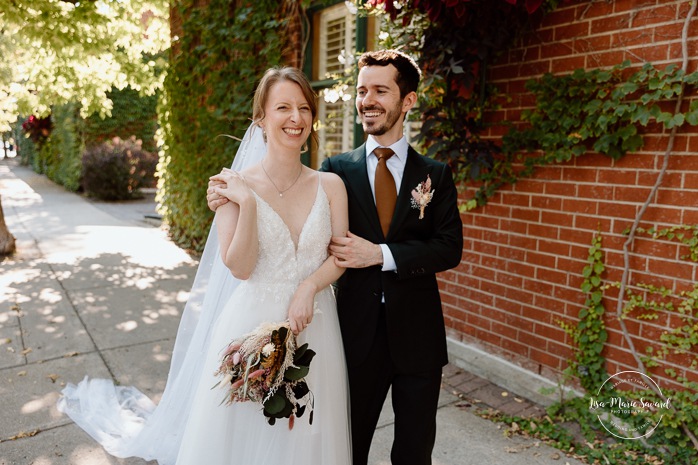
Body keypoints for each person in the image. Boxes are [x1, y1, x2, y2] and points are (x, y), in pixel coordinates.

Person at [58, 67, 352, 465]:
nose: (296, 118)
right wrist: (247, 203)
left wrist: (309, 286)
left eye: (304, 107)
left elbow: (339, 255)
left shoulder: (330, 185)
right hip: (251, 324)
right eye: (283, 107)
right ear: (261, 118)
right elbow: (240, 267)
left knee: (308, 430)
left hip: (315, 323)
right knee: (245, 433)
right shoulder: (231, 185)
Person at [208, 50, 463, 465]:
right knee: (347, 446)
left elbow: (449, 247)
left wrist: (380, 254)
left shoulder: (434, 173)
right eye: (362, 90)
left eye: (381, 90)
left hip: (418, 335)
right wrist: (233, 199)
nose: (368, 100)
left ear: (408, 100)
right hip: (353, 334)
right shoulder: (336, 171)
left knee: (416, 450)